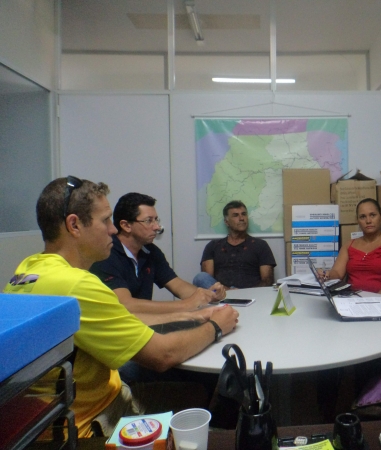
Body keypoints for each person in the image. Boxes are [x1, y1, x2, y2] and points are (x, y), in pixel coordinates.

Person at [3, 176, 239, 437]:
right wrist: (217, 326)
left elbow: (121, 318)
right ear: (74, 225)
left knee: (197, 389)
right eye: (105, 220)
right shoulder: (77, 285)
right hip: (93, 421)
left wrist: (191, 315)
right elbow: (163, 356)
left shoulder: (26, 271)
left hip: (82, 404)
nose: (113, 230)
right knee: (212, 396)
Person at [90, 192, 226, 315]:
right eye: (149, 221)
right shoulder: (106, 253)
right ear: (126, 226)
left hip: (144, 323)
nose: (156, 227)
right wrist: (186, 305)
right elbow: (126, 305)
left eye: (156, 220)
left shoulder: (150, 250)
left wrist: (208, 295)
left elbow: (176, 284)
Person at [326, 198, 381, 295]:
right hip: (352, 301)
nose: (368, 221)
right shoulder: (349, 245)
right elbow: (337, 273)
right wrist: (327, 275)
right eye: (362, 217)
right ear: (358, 220)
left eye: (372, 215)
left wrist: (374, 302)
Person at [193, 200, 276, 289]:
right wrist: (227, 291)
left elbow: (267, 281)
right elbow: (207, 282)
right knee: (200, 278)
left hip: (250, 295)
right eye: (235, 215)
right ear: (226, 222)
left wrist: (245, 293)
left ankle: (235, 294)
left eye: (244, 214)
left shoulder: (260, 245)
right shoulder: (213, 246)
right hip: (222, 296)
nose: (241, 218)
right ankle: (230, 293)